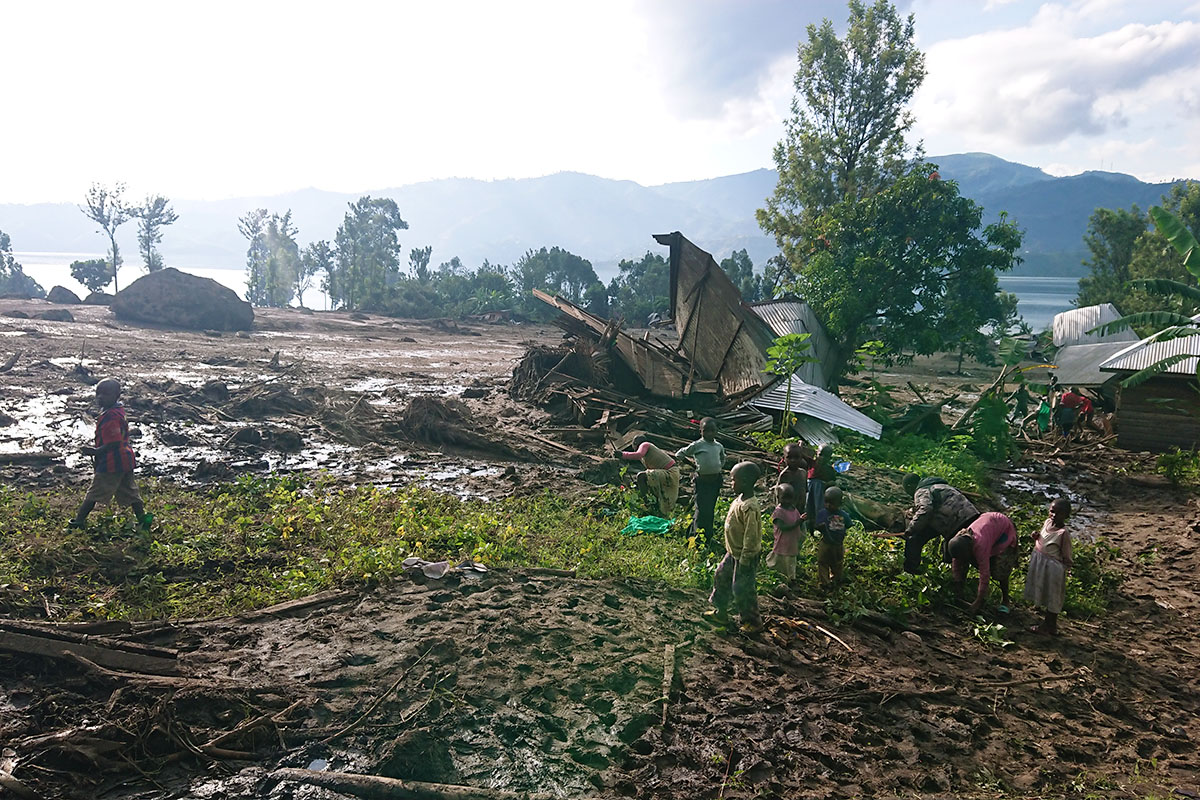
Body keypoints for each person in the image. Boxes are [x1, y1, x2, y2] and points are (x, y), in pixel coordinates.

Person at [69, 378, 151, 532]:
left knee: (95, 492)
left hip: (113, 462)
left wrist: (95, 451)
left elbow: (114, 442)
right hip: (125, 459)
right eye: (98, 393)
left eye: (105, 394)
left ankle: (78, 522)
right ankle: (143, 520)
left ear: (117, 395)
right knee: (130, 491)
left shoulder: (111, 416)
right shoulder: (116, 411)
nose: (100, 397)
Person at [876, 473, 979, 574]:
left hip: (954, 521)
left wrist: (911, 529)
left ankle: (911, 571)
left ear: (909, 486)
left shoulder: (921, 490)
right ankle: (949, 573)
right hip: (971, 516)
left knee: (915, 539)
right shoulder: (942, 486)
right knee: (952, 547)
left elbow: (925, 510)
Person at [706, 461, 763, 634]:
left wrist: (745, 558)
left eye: (733, 480)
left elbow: (751, 536)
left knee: (743, 589)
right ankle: (720, 612)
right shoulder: (740, 499)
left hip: (745, 556)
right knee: (721, 577)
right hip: (733, 552)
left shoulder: (750, 507)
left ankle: (752, 622)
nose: (731, 483)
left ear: (745, 481)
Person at [947, 512, 1018, 615]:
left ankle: (1006, 600)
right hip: (989, 523)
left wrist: (978, 602)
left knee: (1001, 570)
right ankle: (961, 591)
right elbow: (956, 562)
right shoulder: (959, 539)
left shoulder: (980, 545)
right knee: (962, 564)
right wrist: (957, 583)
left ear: (970, 549)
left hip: (1003, 530)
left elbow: (984, 574)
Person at [1025, 498, 1074, 635]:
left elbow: (1066, 553)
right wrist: (1036, 536)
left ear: (1066, 516)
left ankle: (1050, 625)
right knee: (1042, 589)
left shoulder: (1063, 533)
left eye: (1058, 513)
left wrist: (1067, 566)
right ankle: (1043, 616)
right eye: (1052, 511)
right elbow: (1043, 538)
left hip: (1053, 568)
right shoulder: (1047, 522)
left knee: (1053, 595)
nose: (1053, 515)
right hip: (1040, 563)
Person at [675, 417, 726, 546]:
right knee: (701, 510)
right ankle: (695, 537)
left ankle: (707, 537)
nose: (709, 433)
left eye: (712, 430)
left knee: (710, 510)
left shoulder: (719, 446)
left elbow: (722, 459)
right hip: (702, 482)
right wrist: (693, 466)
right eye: (706, 431)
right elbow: (679, 454)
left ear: (716, 431)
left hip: (715, 481)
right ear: (701, 431)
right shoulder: (698, 445)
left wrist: (717, 468)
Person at [619, 434, 680, 517]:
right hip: (669, 471)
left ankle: (647, 503)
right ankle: (654, 504)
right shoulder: (645, 454)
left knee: (641, 476)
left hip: (670, 472)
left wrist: (622, 454)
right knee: (646, 477)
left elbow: (638, 454)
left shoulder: (645, 445)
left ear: (635, 443)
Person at [814, 485, 851, 587]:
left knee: (837, 563)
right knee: (823, 562)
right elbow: (817, 525)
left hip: (838, 544)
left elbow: (848, 525)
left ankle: (836, 580)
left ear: (840, 503)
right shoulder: (822, 513)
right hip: (826, 543)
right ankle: (825, 583)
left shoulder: (844, 515)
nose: (828, 505)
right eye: (826, 502)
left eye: (832, 503)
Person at [767, 483, 804, 582]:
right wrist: (798, 523)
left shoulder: (794, 510)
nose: (787, 501)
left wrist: (801, 521)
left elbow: (797, 521)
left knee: (790, 562)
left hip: (792, 542)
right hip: (782, 542)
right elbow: (783, 527)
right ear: (778, 497)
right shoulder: (778, 512)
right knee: (780, 561)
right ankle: (779, 578)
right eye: (784, 498)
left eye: (790, 498)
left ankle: (791, 579)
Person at [805, 444, 837, 532]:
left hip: (820, 490)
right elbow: (801, 454)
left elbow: (833, 481)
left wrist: (827, 484)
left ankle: (819, 527)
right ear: (816, 453)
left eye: (826, 456)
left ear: (829, 458)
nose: (822, 458)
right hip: (809, 488)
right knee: (808, 506)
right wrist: (800, 445)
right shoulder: (812, 463)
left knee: (819, 508)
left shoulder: (829, 469)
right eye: (821, 454)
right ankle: (808, 527)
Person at [776, 443, 809, 508]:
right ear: (784, 458)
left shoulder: (803, 473)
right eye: (789, 457)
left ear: (801, 458)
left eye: (796, 457)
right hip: (788, 509)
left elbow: (805, 490)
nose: (793, 460)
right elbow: (778, 495)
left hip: (800, 507)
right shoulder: (784, 475)